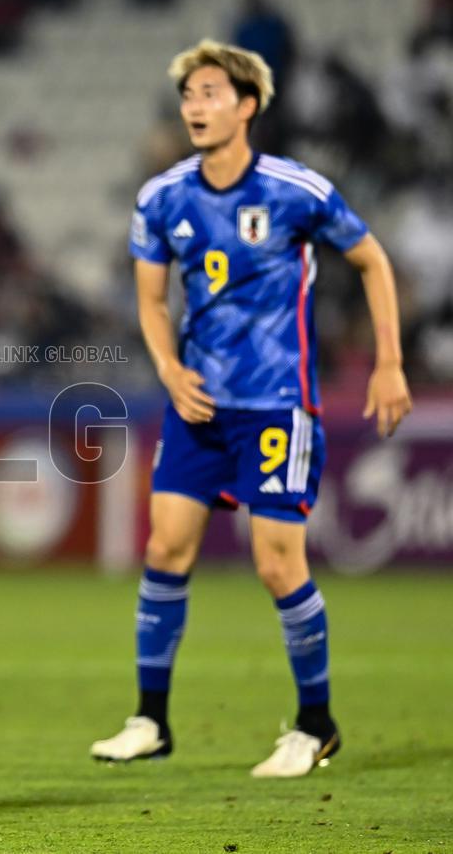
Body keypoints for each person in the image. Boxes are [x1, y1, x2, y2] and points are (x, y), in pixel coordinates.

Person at [90, 39, 412, 777]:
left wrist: (389, 362)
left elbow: (371, 259)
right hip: (196, 404)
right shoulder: (162, 196)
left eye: (210, 93)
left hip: (275, 406)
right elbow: (149, 299)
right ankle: (149, 719)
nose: (195, 107)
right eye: (188, 96)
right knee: (165, 548)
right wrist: (168, 371)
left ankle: (316, 723)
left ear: (247, 105)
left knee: (276, 566)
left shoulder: (296, 190)